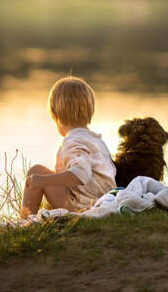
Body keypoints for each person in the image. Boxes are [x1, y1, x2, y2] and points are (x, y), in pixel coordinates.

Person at [21, 76, 116, 218]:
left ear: (54, 114)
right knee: (50, 174)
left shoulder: (73, 141)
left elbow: (80, 175)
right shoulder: (96, 140)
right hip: (106, 201)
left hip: (82, 207)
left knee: (37, 171)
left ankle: (26, 221)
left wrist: (44, 181)